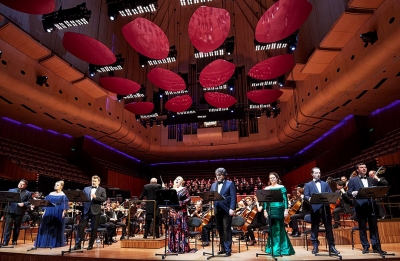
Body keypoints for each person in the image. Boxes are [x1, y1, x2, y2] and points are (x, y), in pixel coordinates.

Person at [347, 163, 388, 254]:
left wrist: (377, 178)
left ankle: (376, 246)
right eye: (361, 167)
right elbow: (349, 192)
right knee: (362, 227)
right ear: (357, 170)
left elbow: (382, 187)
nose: (364, 169)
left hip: (371, 205)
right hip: (360, 206)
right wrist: (354, 193)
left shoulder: (371, 179)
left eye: (365, 167)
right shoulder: (353, 180)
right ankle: (365, 246)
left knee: (374, 227)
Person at [304, 167, 340, 255]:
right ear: (312, 174)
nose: (318, 174)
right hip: (315, 209)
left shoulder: (325, 184)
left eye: (319, 173)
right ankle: (315, 246)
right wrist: (309, 198)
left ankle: (332, 246)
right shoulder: (308, 185)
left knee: (329, 228)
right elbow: (306, 196)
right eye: (316, 173)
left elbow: (330, 194)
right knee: (315, 227)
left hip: (325, 208)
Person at [263, 172, 295, 256]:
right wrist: (265, 211)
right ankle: (273, 248)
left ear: (277, 178)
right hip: (270, 209)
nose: (272, 179)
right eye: (270, 178)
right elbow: (265, 201)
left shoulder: (281, 187)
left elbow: (285, 199)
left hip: (279, 209)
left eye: (273, 178)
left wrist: (286, 210)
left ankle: (278, 248)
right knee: (272, 227)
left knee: (279, 227)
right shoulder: (267, 188)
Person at [73, 175, 106, 250]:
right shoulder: (86, 188)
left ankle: (90, 244)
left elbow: (104, 199)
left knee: (94, 228)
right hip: (86, 210)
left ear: (99, 182)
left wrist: (96, 197)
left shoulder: (102, 190)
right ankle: (78, 245)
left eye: (95, 181)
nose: (93, 182)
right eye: (92, 181)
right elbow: (82, 197)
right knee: (81, 226)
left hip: (96, 210)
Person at [34, 181, 69, 248]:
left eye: (57, 185)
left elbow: (64, 204)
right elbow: (45, 203)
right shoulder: (50, 194)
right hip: (49, 210)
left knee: (55, 227)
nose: (55, 186)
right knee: (46, 226)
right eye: (55, 184)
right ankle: (45, 243)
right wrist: (44, 211)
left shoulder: (63, 195)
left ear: (61, 186)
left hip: (58, 211)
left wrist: (64, 211)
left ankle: (53, 243)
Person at [211, 167, 236, 257]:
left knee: (227, 230)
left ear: (224, 175)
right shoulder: (213, 185)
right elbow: (211, 196)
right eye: (217, 175)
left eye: (220, 174)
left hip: (227, 210)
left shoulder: (230, 184)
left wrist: (232, 208)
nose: (218, 176)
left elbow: (233, 197)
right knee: (220, 230)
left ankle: (228, 250)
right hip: (217, 210)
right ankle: (223, 248)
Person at [2, 179, 32, 246]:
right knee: (8, 226)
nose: (20, 185)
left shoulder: (28, 193)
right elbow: (7, 199)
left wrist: (24, 203)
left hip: (19, 211)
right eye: (19, 183)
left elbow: (30, 201)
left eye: (22, 184)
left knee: (17, 227)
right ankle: (5, 241)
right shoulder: (11, 190)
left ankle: (14, 240)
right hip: (10, 210)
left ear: (25, 186)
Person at [168, 176, 193, 253]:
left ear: (182, 182)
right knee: (173, 229)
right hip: (173, 212)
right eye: (175, 179)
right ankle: (174, 247)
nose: (176, 180)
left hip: (181, 212)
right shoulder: (172, 190)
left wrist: (180, 203)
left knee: (181, 229)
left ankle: (182, 248)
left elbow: (189, 199)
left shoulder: (184, 189)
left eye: (178, 179)